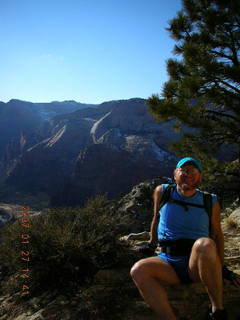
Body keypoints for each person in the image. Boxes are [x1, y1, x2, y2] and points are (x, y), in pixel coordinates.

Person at [130, 157, 240, 320]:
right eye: (184, 170)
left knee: (206, 243)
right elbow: (156, 218)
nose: (189, 174)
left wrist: (221, 268)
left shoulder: (210, 200)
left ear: (200, 176)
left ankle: (218, 312)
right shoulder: (163, 191)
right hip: (168, 261)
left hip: (196, 264)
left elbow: (217, 234)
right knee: (138, 270)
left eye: (194, 171)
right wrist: (151, 244)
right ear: (174, 174)